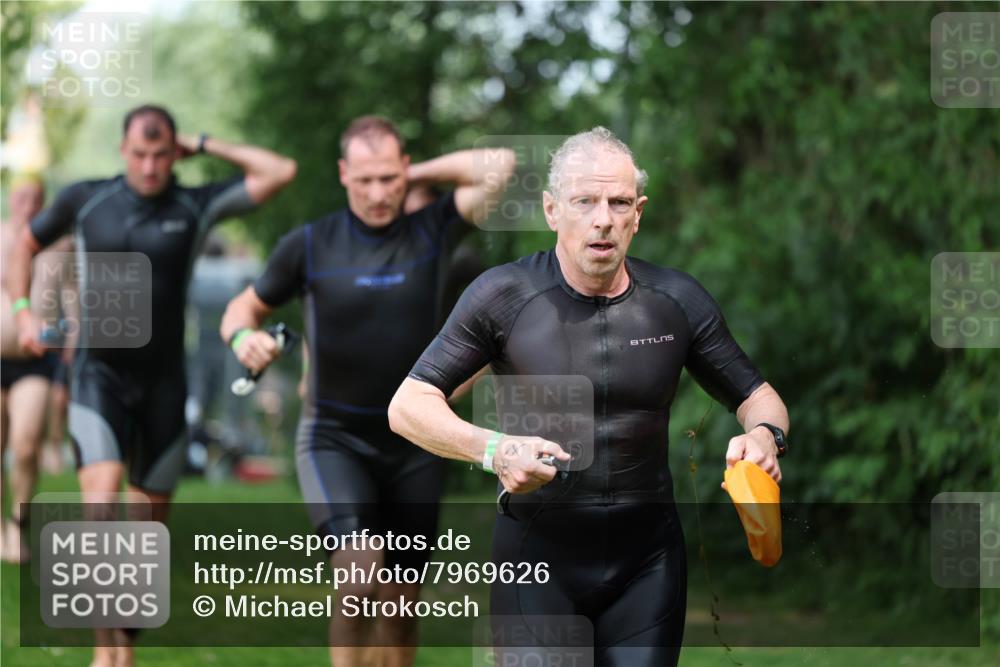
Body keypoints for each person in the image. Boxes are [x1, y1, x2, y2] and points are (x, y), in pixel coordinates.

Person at [389, 127, 790, 667]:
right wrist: (495, 450)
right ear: (553, 210)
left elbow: (759, 397)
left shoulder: (676, 302)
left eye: (619, 202)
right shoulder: (503, 296)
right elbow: (408, 405)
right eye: (585, 202)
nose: (603, 218)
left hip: (648, 563)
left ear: (638, 212)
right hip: (536, 562)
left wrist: (766, 436)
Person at [220, 115, 515, 667]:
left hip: (418, 444)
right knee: (358, 580)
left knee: (402, 608)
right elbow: (244, 307)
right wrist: (243, 336)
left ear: (404, 172)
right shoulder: (309, 245)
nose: (379, 194)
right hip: (335, 438)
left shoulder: (433, 228)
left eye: (389, 179)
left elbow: (499, 166)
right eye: (365, 180)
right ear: (342, 175)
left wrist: (407, 172)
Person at [8, 104, 296, 667]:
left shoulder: (194, 203)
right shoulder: (86, 198)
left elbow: (278, 171)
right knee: (98, 511)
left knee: (144, 537)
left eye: (160, 154)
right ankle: (106, 655)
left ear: (174, 153)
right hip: (99, 377)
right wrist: (23, 311)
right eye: (139, 154)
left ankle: (125, 643)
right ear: (123, 150)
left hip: (164, 381)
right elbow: (25, 244)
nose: (148, 166)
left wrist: (204, 142)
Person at [0, 174, 73, 562]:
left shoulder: (60, 246)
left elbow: (74, 303)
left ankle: (18, 523)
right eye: (22, 197)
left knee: (26, 446)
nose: (29, 205)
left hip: (35, 361)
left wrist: (70, 341)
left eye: (37, 199)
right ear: (11, 199)